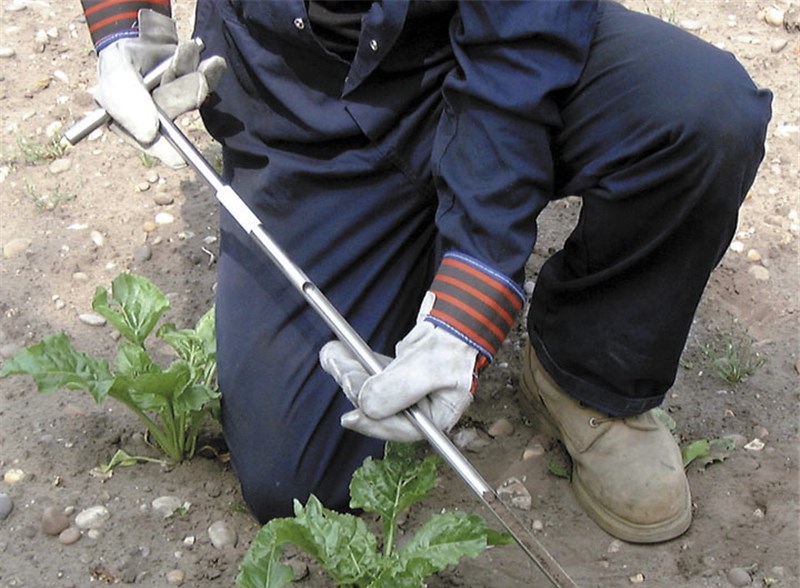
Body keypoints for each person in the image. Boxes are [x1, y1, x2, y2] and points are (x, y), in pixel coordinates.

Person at [80, 0, 772, 542]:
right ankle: (389, 246)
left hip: (488, 58)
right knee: (296, 481)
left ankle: (584, 378)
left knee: (698, 116)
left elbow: (516, 63)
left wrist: (467, 312)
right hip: (302, 106)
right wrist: (127, 26)